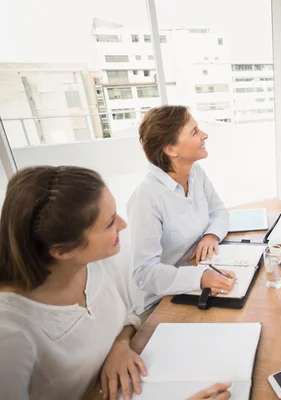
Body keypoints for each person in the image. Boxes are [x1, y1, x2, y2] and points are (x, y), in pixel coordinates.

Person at [0, 166, 232, 400]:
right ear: (63, 250)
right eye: (109, 222)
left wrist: (119, 345)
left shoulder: (93, 264)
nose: (123, 224)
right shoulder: (11, 333)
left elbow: (125, 316)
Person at [127, 105, 235, 311]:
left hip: (200, 276)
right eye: (195, 132)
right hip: (162, 301)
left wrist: (211, 235)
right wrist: (199, 277)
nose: (205, 135)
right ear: (171, 149)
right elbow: (143, 272)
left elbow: (219, 211)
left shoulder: (196, 173)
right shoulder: (146, 198)